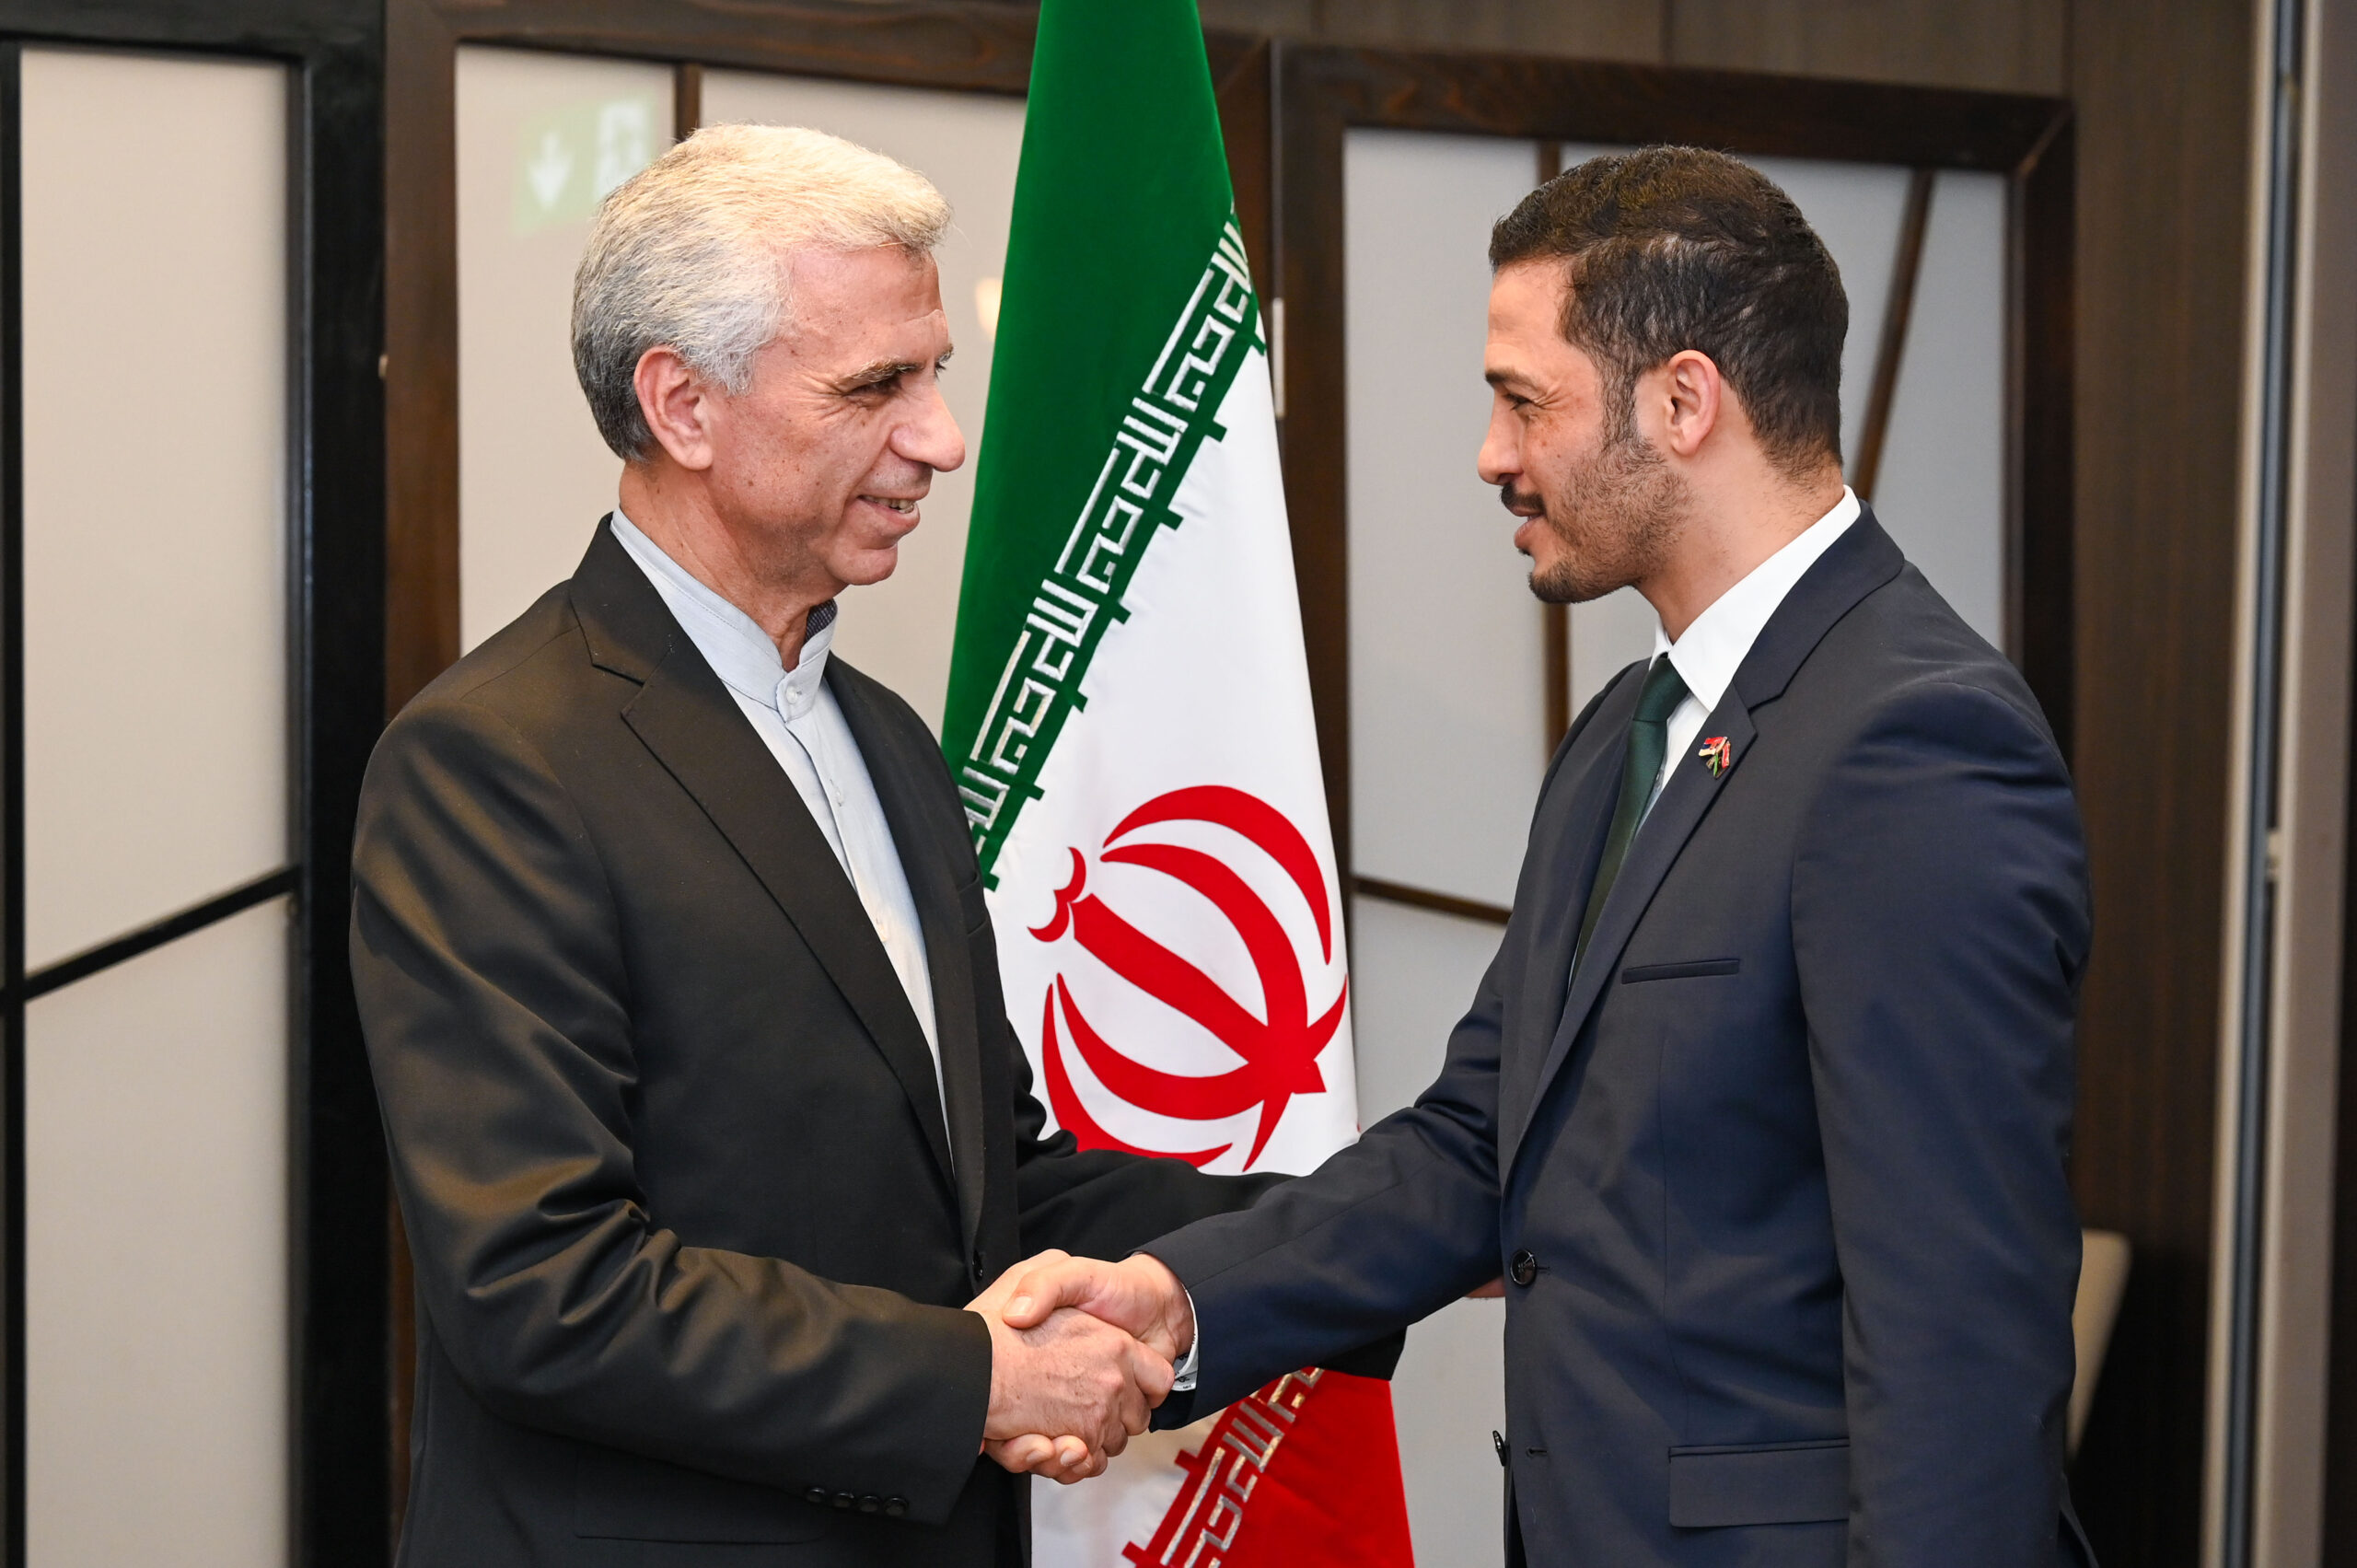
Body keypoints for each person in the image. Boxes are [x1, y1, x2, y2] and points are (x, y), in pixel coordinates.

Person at [1000, 146, 2096, 1565]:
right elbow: (1478, 1147)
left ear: (1684, 402)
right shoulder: (1629, 732)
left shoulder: (1914, 744)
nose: (1493, 455)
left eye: (1526, 401)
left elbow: (1961, 1333)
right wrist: (1181, 1299)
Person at [350, 124, 1347, 1568]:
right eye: (878, 386)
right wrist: (979, 1382)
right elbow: (541, 1289)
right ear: (682, 405)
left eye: (932, 374)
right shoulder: (495, 762)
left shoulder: (885, 740)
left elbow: (989, 1195)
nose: (941, 437)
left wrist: (1406, 1233)